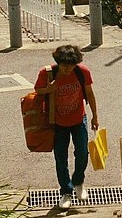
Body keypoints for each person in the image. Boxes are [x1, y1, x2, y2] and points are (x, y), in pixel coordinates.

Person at [34, 44, 99, 209]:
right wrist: (48, 89)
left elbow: (89, 93)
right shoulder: (47, 73)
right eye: (64, 65)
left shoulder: (82, 72)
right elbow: (37, 90)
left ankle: (78, 182)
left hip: (79, 119)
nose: (67, 69)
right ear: (58, 62)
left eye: (71, 65)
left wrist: (95, 116)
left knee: (83, 153)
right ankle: (66, 191)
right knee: (60, 158)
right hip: (57, 123)